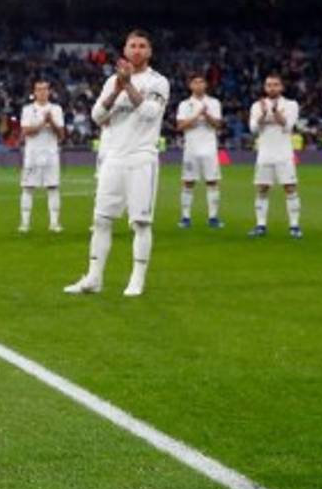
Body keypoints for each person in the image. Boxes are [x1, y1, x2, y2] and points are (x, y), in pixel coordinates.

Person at [64, 30, 170, 297]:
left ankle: (136, 279)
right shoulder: (112, 80)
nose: (136, 50)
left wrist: (129, 86)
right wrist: (115, 91)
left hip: (142, 158)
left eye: (142, 46)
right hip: (114, 158)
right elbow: (97, 116)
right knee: (101, 220)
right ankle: (94, 278)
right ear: (125, 50)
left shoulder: (158, 82)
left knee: (141, 223)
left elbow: (149, 113)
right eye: (132, 45)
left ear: (149, 51)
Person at [248, 74, 303, 238]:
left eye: (275, 85)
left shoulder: (291, 104)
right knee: (262, 189)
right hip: (264, 154)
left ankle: (294, 226)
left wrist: (275, 113)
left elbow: (288, 127)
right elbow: (253, 129)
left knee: (290, 188)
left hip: (284, 154)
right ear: (265, 88)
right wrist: (264, 115)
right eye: (269, 85)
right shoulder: (257, 106)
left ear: (281, 87)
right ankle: (261, 225)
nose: (272, 87)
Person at [175, 72, 224, 228]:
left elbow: (218, 125)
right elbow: (180, 126)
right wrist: (197, 116)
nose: (198, 85)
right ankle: (185, 218)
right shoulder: (184, 104)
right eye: (195, 82)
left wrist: (207, 115)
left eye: (201, 82)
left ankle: (213, 217)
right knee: (188, 182)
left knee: (212, 182)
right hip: (191, 149)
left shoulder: (214, 103)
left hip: (209, 148)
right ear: (190, 85)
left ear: (206, 85)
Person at [18, 79, 66, 233]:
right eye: (39, 89)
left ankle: (54, 223)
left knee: (53, 187)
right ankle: (25, 223)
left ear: (49, 91)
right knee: (27, 187)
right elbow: (25, 131)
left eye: (45, 89)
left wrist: (51, 121)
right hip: (32, 154)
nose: (42, 92)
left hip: (51, 153)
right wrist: (41, 123)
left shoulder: (56, 109)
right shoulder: (27, 109)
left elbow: (61, 135)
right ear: (34, 92)